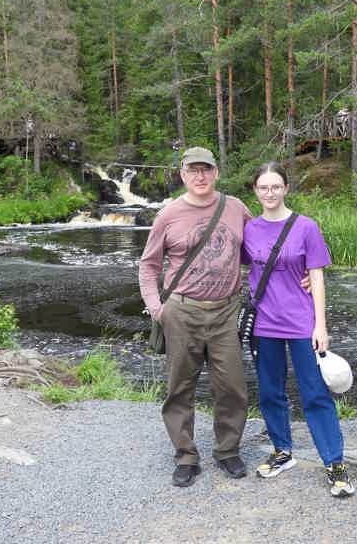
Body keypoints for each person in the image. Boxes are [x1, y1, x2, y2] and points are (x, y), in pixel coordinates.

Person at [139, 146, 251, 487]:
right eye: (193, 171)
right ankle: (186, 456)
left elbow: (256, 254)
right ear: (183, 175)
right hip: (182, 312)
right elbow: (148, 265)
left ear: (216, 173)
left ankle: (227, 451)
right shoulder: (168, 215)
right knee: (180, 387)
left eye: (206, 169)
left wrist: (299, 272)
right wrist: (157, 308)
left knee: (232, 386)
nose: (200, 176)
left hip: (225, 312)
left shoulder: (235, 208)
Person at [242, 161, 355, 498]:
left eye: (276, 186)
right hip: (264, 324)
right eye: (263, 187)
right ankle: (282, 452)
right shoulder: (250, 228)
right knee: (269, 392)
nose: (270, 192)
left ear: (286, 188)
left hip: (303, 324)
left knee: (315, 394)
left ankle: (334, 463)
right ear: (256, 191)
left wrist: (321, 325)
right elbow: (238, 267)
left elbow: (317, 276)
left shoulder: (306, 226)